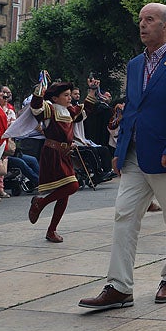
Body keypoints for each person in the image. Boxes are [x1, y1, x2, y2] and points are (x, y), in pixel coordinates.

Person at [79, 2, 166, 310]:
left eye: (149, 19)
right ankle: (119, 286)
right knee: (124, 214)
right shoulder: (135, 65)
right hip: (135, 154)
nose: (142, 24)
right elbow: (132, 110)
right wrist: (119, 151)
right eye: (140, 20)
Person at [27, 78, 100, 242]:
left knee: (65, 193)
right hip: (52, 154)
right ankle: (41, 202)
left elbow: (85, 110)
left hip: (64, 154)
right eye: (66, 95)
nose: (69, 98)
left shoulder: (70, 111)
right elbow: (35, 107)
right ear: (55, 98)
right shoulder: (50, 109)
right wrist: (41, 87)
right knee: (72, 186)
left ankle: (51, 230)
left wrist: (92, 91)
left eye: (69, 95)